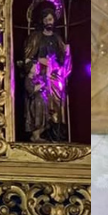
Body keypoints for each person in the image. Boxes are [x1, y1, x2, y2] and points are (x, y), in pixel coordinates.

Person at [23, 8, 72, 142]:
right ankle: (41, 132)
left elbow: (64, 59)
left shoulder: (57, 39)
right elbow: (26, 59)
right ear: (42, 22)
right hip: (41, 76)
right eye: (45, 20)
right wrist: (39, 61)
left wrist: (67, 52)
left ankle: (56, 132)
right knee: (43, 103)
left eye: (50, 19)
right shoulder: (36, 38)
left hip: (56, 77)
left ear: (54, 20)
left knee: (58, 104)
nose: (48, 22)